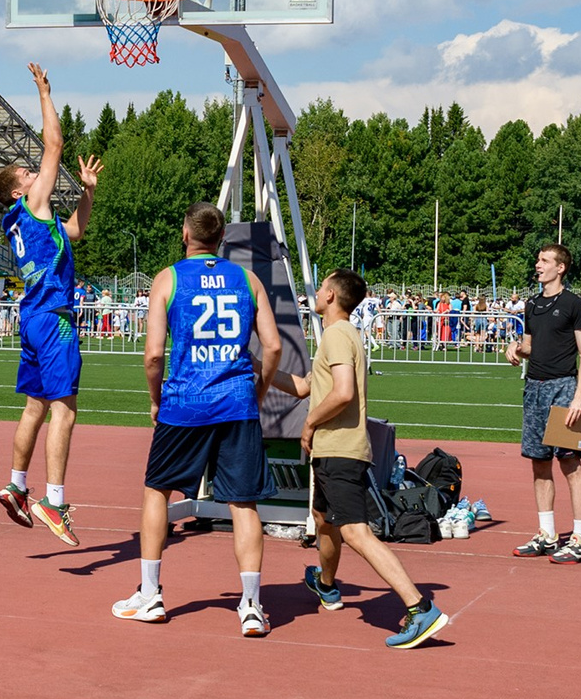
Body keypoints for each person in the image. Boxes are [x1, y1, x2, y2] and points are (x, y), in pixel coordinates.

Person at [112, 202, 283, 636]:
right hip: (236, 401)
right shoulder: (248, 280)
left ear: (185, 234)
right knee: (243, 503)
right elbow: (273, 347)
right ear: (222, 238)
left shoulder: (168, 278)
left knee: (157, 491)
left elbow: (154, 355)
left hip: (185, 402)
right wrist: (258, 392)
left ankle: (150, 593)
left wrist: (156, 400)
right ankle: (251, 605)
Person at [291, 268, 449, 648]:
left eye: (321, 286)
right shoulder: (339, 335)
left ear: (331, 295)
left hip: (339, 449)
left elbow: (343, 392)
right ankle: (327, 585)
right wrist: (258, 367)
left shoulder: (337, 335)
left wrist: (309, 424)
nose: (316, 292)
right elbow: (304, 387)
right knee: (323, 520)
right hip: (334, 450)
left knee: (355, 532)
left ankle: (419, 608)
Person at [0, 63, 101, 548]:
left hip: (34, 318)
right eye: (27, 174)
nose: (36, 174)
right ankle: (54, 501)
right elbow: (53, 144)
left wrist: (88, 193)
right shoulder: (31, 204)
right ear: (19, 191)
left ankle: (16, 485)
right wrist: (44, 93)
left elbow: (76, 230)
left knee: (35, 406)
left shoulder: (30, 220)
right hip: (54, 318)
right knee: (65, 411)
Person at [505, 243, 581, 561]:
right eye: (538, 259)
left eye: (544, 260)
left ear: (561, 267)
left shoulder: (574, 304)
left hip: (564, 389)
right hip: (534, 389)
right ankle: (547, 534)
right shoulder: (531, 304)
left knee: (570, 462)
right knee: (539, 462)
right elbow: (531, 346)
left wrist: (579, 397)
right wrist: (516, 348)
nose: (538, 264)